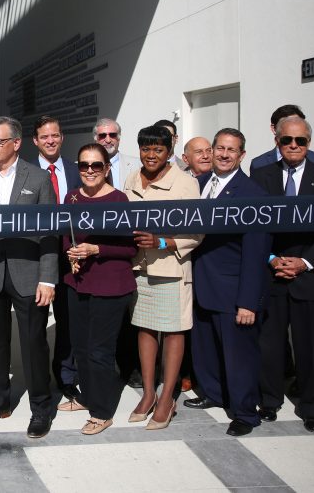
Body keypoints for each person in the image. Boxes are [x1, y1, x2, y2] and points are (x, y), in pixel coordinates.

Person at [0, 116, 57, 438]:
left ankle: (41, 409)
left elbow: (50, 231)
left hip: (29, 276)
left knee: (33, 345)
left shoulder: (39, 178)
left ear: (16, 143)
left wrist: (48, 278)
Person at [250, 116, 314, 433]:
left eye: (300, 141)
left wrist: (305, 262)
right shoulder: (261, 176)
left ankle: (312, 407)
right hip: (272, 274)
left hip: (312, 277)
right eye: (287, 140)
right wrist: (273, 258)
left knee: (313, 348)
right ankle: (269, 401)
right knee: (270, 346)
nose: (293, 146)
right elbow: (254, 226)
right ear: (277, 141)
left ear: (309, 143)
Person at [188, 128, 270, 437]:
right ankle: (215, 393)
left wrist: (248, 301)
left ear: (241, 155)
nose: (223, 154)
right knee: (206, 350)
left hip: (233, 291)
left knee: (240, 358)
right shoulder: (196, 184)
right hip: (200, 285)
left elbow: (256, 252)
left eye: (231, 150)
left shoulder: (253, 194)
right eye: (219, 148)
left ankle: (245, 413)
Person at [124, 126, 203, 430]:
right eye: (146, 149)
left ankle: (167, 397)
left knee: (172, 332)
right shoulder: (132, 178)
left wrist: (162, 241)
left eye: (158, 149)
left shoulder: (185, 183)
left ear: (170, 151)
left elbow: (196, 231)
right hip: (140, 268)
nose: (151, 155)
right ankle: (147, 394)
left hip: (170, 268)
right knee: (144, 330)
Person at [57, 143, 137, 435]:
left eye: (96, 165)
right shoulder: (72, 197)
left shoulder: (119, 200)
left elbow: (129, 248)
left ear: (106, 169)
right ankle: (88, 396)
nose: (89, 171)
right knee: (79, 347)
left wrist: (96, 249)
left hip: (110, 285)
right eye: (84, 165)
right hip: (78, 282)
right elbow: (68, 235)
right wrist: (72, 254)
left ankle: (102, 411)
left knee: (99, 351)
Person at [32, 115, 80, 401]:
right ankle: (38, 379)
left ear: (62, 138)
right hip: (36, 259)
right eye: (44, 137)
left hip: (71, 257)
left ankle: (66, 375)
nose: (50, 141)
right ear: (36, 140)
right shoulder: (24, 173)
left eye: (55, 135)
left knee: (67, 320)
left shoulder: (77, 172)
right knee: (36, 323)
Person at [249, 105, 314, 170]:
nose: (293, 145)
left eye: (297, 122)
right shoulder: (259, 164)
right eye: (285, 123)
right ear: (274, 129)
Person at [93, 118, 139, 190]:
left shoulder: (137, 165)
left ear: (119, 138)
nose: (108, 140)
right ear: (96, 139)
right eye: (102, 136)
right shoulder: (81, 167)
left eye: (112, 135)